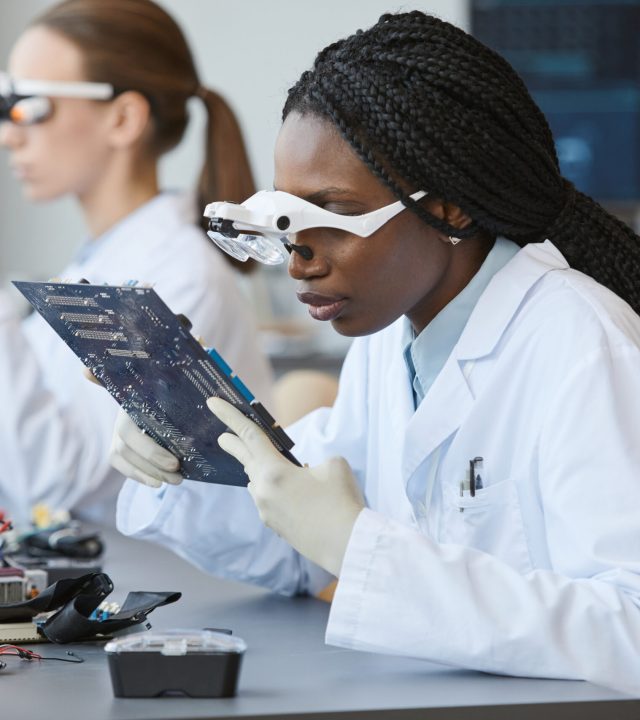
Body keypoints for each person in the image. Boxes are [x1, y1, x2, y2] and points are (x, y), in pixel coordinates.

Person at [111, 11, 640, 694]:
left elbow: (630, 625)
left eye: (330, 216)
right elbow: (300, 543)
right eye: (288, 221)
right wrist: (181, 449)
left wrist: (356, 548)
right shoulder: (392, 334)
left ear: (449, 207)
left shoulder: (579, 342)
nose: (299, 260)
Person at [0, 0, 273, 525]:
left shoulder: (177, 278)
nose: (10, 132)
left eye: (30, 105)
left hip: (172, 591)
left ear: (123, 118)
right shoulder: (103, 258)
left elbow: (58, 483)